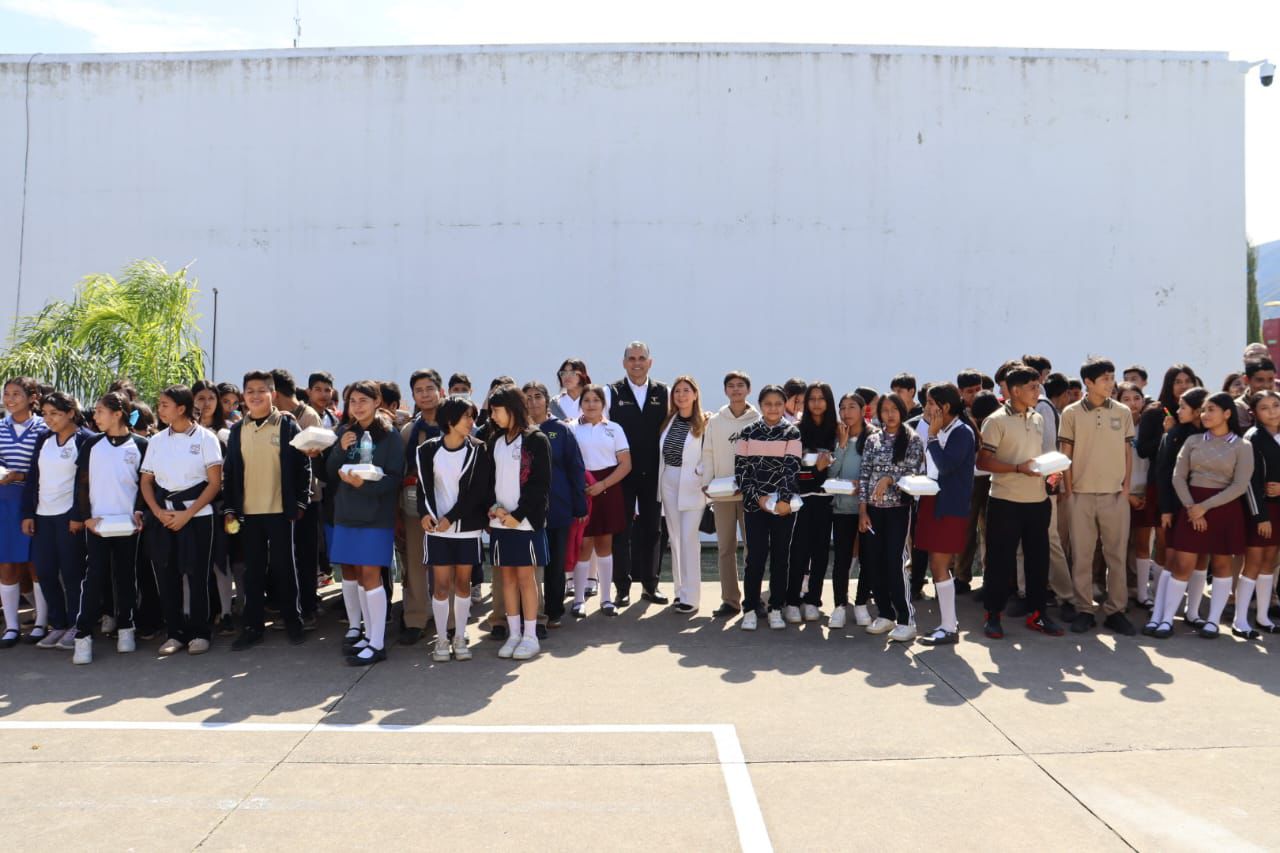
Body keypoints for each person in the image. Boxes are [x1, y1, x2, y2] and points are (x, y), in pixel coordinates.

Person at [220, 371, 312, 650]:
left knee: (286, 569)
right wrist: (230, 508)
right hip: (249, 513)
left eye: (262, 390)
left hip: (281, 511)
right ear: (243, 396)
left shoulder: (287, 425)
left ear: (272, 394)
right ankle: (253, 627)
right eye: (250, 391)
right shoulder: (238, 430)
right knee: (253, 573)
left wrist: (300, 503)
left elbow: (303, 466)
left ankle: (294, 621)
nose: (256, 395)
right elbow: (230, 471)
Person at [1155, 392, 1254, 639]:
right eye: (1204, 410)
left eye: (1211, 410)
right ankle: (1166, 620)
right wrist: (1192, 508)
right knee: (1182, 564)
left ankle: (1212, 622)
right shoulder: (1193, 441)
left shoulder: (1243, 446)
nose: (1205, 414)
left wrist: (1205, 507)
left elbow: (1240, 485)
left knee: (1221, 564)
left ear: (1227, 414)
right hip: (1191, 506)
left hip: (1225, 508)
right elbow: (1178, 477)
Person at [978, 364, 1064, 639]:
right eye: (1032, 387)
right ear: (1015, 391)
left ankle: (1038, 614)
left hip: (1037, 501)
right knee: (999, 562)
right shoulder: (995, 421)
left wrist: (1051, 472)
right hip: (1005, 501)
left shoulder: (1037, 417)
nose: (1038, 391)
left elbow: (1036, 457)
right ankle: (993, 615)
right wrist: (1018, 468)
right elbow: (983, 461)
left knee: (1038, 562)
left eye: (1038, 386)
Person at [139, 385, 224, 656]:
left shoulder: (206, 438)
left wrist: (188, 513)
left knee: (198, 575)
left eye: (165, 405)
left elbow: (214, 483)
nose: (160, 409)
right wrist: (157, 511)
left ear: (181, 408)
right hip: (164, 516)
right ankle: (174, 632)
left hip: (198, 517)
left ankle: (200, 632)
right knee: (167, 576)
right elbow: (146, 481)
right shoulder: (156, 440)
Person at [328, 380, 405, 665]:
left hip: (375, 516)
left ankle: (377, 643)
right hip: (346, 514)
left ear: (377, 402)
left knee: (371, 576)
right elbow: (330, 472)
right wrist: (339, 448)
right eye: (353, 401)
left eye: (363, 400)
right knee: (359, 576)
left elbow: (394, 478)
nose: (357, 406)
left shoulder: (390, 435)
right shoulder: (345, 432)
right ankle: (367, 634)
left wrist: (365, 485)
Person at [1058, 357, 1136, 635]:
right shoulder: (1071, 413)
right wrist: (1069, 492)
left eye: (1112, 377)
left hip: (1115, 495)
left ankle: (1116, 610)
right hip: (1080, 495)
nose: (1110, 383)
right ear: (1088, 382)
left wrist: (1125, 489)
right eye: (1104, 379)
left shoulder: (1123, 411)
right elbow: (1065, 454)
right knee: (1082, 556)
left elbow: (1127, 452)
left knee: (1116, 556)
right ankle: (1084, 609)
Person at [71, 392, 149, 664]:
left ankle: (126, 627)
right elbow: (82, 482)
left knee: (127, 576)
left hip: (128, 526)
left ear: (117, 414)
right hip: (98, 526)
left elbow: (145, 485)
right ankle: (83, 635)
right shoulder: (92, 444)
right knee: (94, 578)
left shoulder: (141, 444)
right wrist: (86, 517)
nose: (95, 417)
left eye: (100, 411)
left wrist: (139, 512)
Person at [417, 395, 491, 662]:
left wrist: (451, 517)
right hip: (438, 530)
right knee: (440, 586)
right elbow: (423, 488)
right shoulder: (427, 450)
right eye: (466, 416)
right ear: (449, 420)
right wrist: (425, 514)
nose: (471, 421)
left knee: (462, 583)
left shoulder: (479, 449)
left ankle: (460, 636)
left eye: (472, 416)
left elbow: (477, 493)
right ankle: (441, 638)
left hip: (467, 529)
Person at [19, 391, 92, 648]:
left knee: (72, 573)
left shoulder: (86, 440)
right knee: (45, 572)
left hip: (69, 517)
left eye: (55, 414)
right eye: (45, 414)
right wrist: (28, 513)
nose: (49, 419)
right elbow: (33, 478)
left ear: (71, 413)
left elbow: (86, 483)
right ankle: (58, 624)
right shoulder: (44, 438)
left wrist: (78, 515)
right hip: (43, 516)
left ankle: (76, 625)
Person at [485, 385, 552, 659]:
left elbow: (540, 484)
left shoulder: (536, 439)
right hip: (500, 523)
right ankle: (514, 634)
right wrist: (495, 509)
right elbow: (489, 480)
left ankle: (530, 635)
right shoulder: (495, 440)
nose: (493, 416)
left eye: (496, 410)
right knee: (507, 579)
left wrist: (518, 515)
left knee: (526, 578)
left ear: (512, 408)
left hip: (524, 523)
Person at [858, 394, 925, 642]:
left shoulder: (912, 439)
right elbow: (865, 475)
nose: (889, 414)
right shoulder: (873, 439)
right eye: (885, 410)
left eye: (894, 409)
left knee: (895, 562)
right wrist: (863, 510)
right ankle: (885, 614)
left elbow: (913, 470)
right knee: (874, 561)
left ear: (902, 411)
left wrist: (890, 479)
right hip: (873, 510)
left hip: (898, 509)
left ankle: (906, 620)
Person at [734, 384, 802, 630]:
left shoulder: (792, 432)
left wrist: (783, 500)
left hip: (783, 507)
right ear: (761, 405)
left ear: (784, 406)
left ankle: (775, 607)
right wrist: (759, 499)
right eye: (768, 404)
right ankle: (750, 607)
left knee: (781, 558)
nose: (773, 408)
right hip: (755, 507)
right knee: (755, 558)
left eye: (778, 404)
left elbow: (791, 469)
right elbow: (741, 471)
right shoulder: (747, 432)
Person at [608, 341, 669, 605]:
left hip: (654, 473)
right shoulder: (611, 392)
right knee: (621, 531)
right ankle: (622, 588)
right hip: (622, 473)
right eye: (631, 358)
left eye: (641, 358)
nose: (637, 363)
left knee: (652, 531)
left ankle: (650, 586)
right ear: (624, 363)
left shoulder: (664, 392)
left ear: (650, 362)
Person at [917, 384, 976, 646]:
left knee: (940, 565)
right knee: (936, 563)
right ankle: (947, 624)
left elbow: (945, 465)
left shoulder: (961, 432)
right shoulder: (943, 429)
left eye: (931, 403)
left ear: (946, 407)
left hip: (949, 507)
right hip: (934, 502)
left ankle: (949, 627)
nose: (927, 408)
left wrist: (931, 437)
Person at [524, 380, 587, 628]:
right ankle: (529, 611)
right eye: (528, 397)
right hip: (525, 509)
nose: (533, 402)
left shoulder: (561, 430)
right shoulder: (519, 430)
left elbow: (576, 468)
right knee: (527, 564)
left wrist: (579, 505)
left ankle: (553, 611)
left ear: (547, 400)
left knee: (555, 563)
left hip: (558, 506)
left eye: (537, 396)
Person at [699, 371, 759, 618]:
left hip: (750, 494)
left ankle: (754, 599)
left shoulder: (758, 419)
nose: (736, 389)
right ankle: (730, 600)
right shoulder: (716, 420)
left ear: (748, 389)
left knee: (753, 548)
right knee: (725, 548)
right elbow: (708, 452)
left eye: (740, 385)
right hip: (723, 492)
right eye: (731, 386)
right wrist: (707, 482)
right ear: (725, 390)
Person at [571, 385, 632, 616]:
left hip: (608, 488)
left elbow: (626, 464)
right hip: (582, 489)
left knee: (605, 544)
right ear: (580, 404)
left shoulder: (614, 428)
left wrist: (603, 485)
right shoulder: (571, 428)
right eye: (586, 400)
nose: (591, 404)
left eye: (596, 400)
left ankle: (606, 599)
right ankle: (578, 600)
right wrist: (584, 487)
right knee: (583, 545)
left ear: (603, 404)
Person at [398, 368, 444, 646]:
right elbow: (400, 471)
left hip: (449, 506)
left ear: (441, 391)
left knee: (447, 564)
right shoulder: (408, 431)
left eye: (429, 388)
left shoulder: (456, 424)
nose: (425, 395)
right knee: (415, 563)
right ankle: (415, 618)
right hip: (415, 506)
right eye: (419, 390)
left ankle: (450, 620)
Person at [0, 377, 46, 646]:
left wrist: (21, 475)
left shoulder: (43, 427)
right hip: (4, 501)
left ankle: (42, 622)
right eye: (7, 394)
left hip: (34, 501)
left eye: (16, 394)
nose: (10, 399)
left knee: (35, 563)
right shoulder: (0, 427)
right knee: (6, 563)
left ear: (32, 398)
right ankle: (12, 627)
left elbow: (47, 467)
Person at [658, 376, 709, 614]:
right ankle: (680, 591)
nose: (681, 395)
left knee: (689, 539)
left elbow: (709, 454)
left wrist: (700, 474)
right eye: (677, 391)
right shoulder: (669, 420)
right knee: (675, 538)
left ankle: (692, 597)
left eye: (686, 390)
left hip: (692, 484)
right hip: (669, 479)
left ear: (695, 394)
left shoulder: (705, 422)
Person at [789, 381, 837, 622]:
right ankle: (792, 600)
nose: (817, 403)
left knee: (820, 553)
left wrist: (819, 472)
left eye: (821, 398)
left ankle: (813, 600)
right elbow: (794, 473)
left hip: (827, 501)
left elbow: (839, 468)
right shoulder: (796, 431)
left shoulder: (837, 431)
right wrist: (817, 471)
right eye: (812, 399)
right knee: (799, 551)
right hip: (802, 501)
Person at [827, 392, 874, 629]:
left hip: (870, 509)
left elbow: (879, 471)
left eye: (852, 407)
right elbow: (831, 473)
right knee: (842, 559)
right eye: (842, 407)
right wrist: (842, 446)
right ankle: (839, 606)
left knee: (868, 558)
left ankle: (861, 603)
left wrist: (863, 485)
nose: (846, 412)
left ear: (863, 410)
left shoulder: (874, 437)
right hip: (842, 508)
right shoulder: (836, 436)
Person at [1239, 390, 1280, 637]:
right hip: (1261, 509)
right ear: (1254, 413)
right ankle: (1240, 619)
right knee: (1253, 562)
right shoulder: (1253, 438)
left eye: (1276, 405)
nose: (1272, 412)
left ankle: (1263, 617)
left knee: (1269, 562)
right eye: (1265, 408)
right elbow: (1249, 482)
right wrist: (1260, 516)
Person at [1119, 382, 1158, 607]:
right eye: (1126, 399)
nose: (1132, 403)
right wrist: (1126, 493)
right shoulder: (1115, 427)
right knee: (1119, 545)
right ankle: (1118, 591)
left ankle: (1141, 592)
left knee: (1142, 545)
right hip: (1120, 492)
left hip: (1145, 492)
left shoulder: (1150, 425)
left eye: (1136, 398)